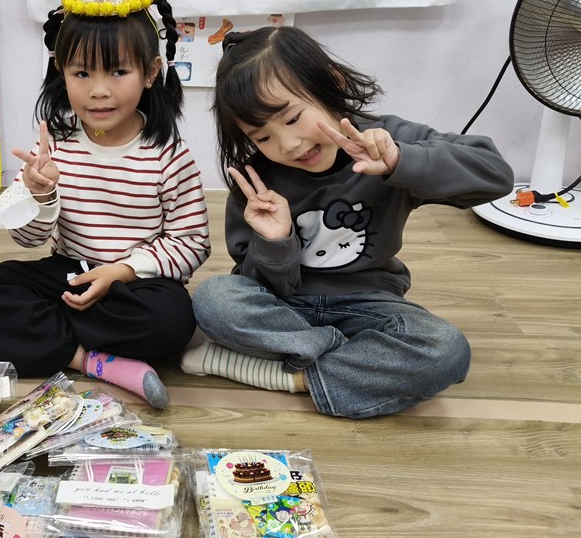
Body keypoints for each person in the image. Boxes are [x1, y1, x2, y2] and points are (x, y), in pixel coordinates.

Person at [0, 0, 210, 410]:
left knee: (172, 319)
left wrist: (122, 271)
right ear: (61, 73)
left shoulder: (168, 154)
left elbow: (192, 242)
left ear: (150, 73)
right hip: (67, 272)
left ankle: (49, 338)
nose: (98, 91)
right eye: (81, 73)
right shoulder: (56, 146)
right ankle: (90, 360)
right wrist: (40, 196)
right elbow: (29, 241)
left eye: (118, 72)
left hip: (131, 284)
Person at [182, 26, 515, 418]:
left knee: (447, 350)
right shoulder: (256, 182)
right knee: (213, 298)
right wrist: (276, 242)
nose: (288, 145)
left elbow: (495, 175)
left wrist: (400, 162)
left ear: (332, 83)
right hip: (286, 307)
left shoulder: (386, 140)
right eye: (263, 138)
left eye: (292, 118)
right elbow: (253, 284)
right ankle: (351, 362)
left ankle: (288, 376)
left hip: (370, 305)